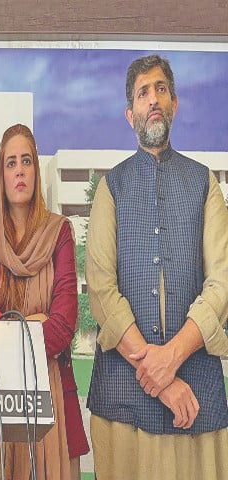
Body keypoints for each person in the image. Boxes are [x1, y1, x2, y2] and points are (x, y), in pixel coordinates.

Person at [86, 54, 228, 479]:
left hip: (197, 396)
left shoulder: (205, 184)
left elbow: (221, 282)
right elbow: (100, 289)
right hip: (122, 399)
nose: (153, 100)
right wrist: (161, 376)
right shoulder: (111, 186)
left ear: (175, 103)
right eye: (143, 93)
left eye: (161, 89)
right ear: (130, 114)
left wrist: (174, 355)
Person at [0, 124, 88, 480]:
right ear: (2, 175)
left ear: (36, 171)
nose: (20, 170)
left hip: (51, 399)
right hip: (1, 401)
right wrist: (34, 321)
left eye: (26, 161)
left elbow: (62, 328)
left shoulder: (59, 234)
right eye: (10, 163)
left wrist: (9, 327)